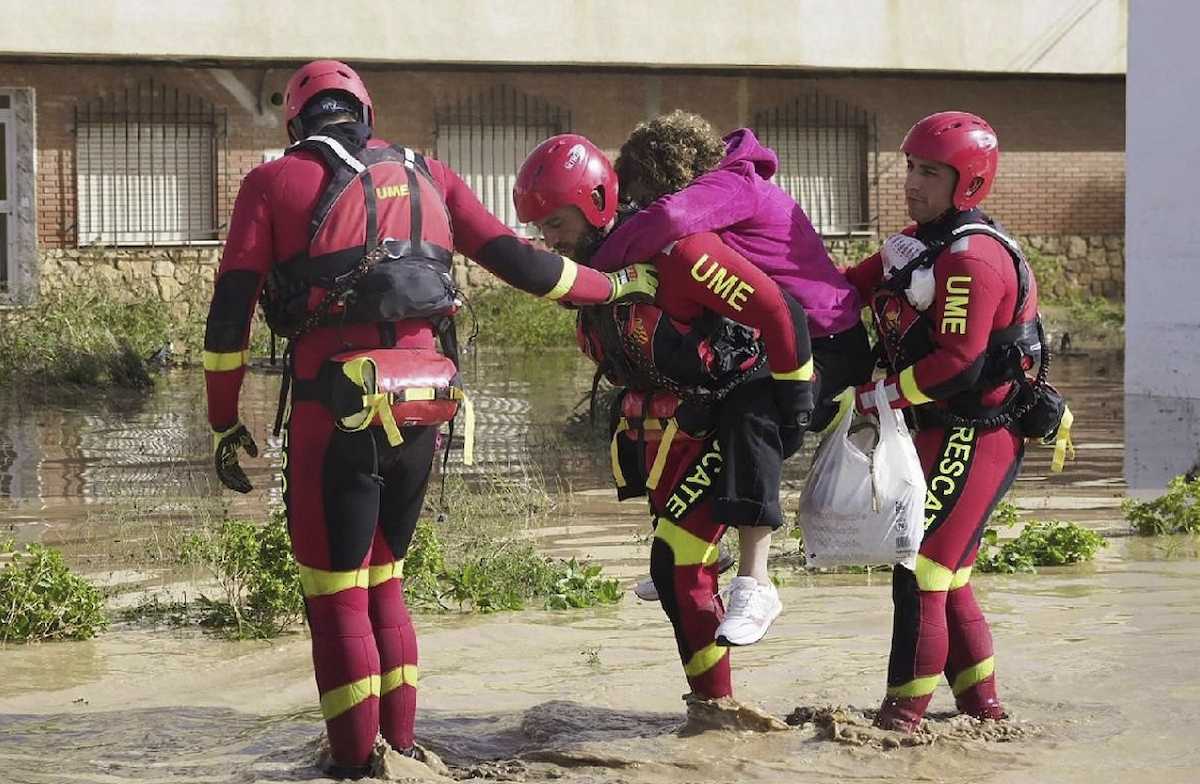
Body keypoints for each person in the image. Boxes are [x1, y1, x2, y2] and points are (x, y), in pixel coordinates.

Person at [203, 60, 658, 778]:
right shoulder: (430, 174)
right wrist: (618, 283)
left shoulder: (271, 182)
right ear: (366, 115)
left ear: (296, 122)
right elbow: (525, 264)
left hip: (336, 408)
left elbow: (229, 319)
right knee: (385, 579)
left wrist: (223, 421)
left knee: (336, 593)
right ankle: (403, 751)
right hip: (426, 411)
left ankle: (357, 767)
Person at [514, 134, 815, 702]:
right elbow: (522, 265)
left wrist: (794, 404)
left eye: (556, 223)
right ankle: (713, 709)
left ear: (597, 202)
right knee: (675, 568)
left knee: (680, 566)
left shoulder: (681, 254)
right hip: (664, 427)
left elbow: (778, 310)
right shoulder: (587, 268)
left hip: (727, 410)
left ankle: (716, 711)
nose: (549, 239)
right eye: (541, 229)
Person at [586, 111, 875, 646]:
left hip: (829, 341)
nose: (634, 210)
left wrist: (593, 272)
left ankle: (756, 581)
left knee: (752, 412)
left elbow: (668, 222)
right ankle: (702, 549)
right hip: (779, 338)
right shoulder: (727, 186)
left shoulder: (733, 184)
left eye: (641, 195)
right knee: (702, 404)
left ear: (668, 177)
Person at [844, 111, 1064, 732]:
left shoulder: (971, 259)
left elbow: (959, 363)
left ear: (967, 183)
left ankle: (898, 725)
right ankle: (985, 715)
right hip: (940, 429)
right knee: (952, 574)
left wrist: (877, 397)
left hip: (980, 431)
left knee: (921, 573)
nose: (912, 182)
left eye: (930, 172)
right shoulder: (913, 244)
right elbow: (844, 291)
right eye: (910, 166)